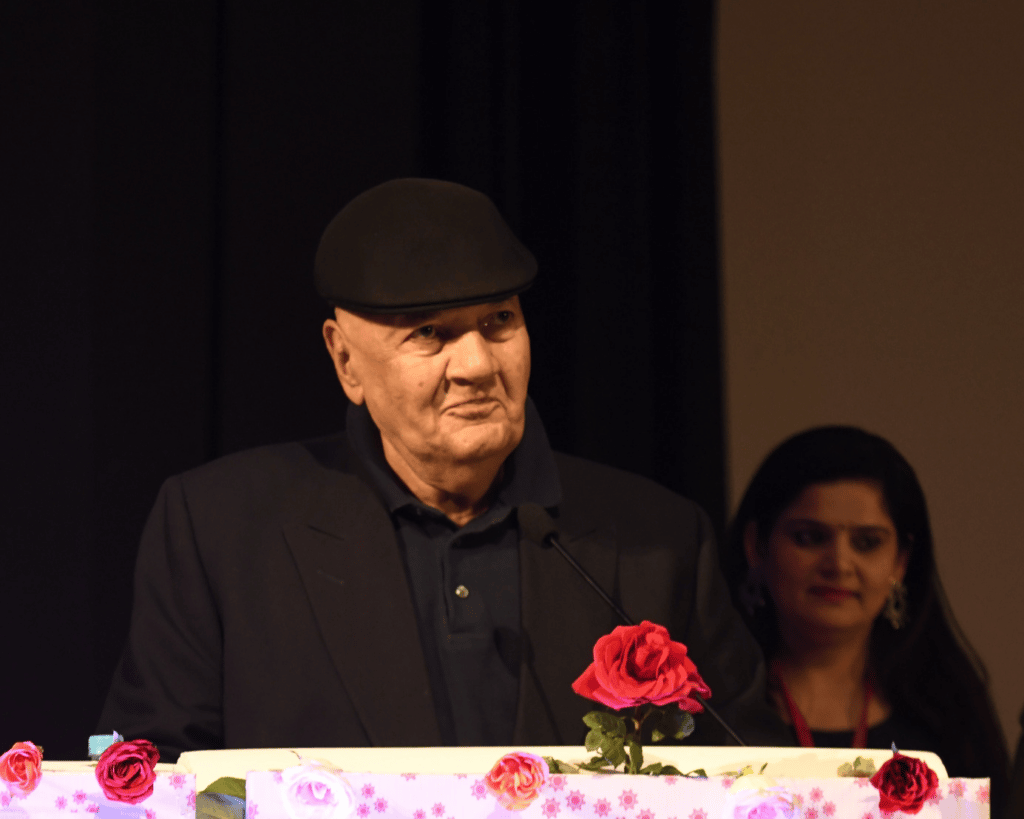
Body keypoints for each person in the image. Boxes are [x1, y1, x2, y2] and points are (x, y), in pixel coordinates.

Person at [99, 178, 771, 761]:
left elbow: (760, 779)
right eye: (429, 333)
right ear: (346, 362)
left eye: (499, 320)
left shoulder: (661, 538)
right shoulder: (221, 528)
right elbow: (146, 772)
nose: (478, 364)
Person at [722, 426, 1009, 810]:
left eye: (867, 542)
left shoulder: (948, 714)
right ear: (756, 545)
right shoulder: (707, 705)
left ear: (901, 560)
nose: (839, 564)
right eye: (810, 538)